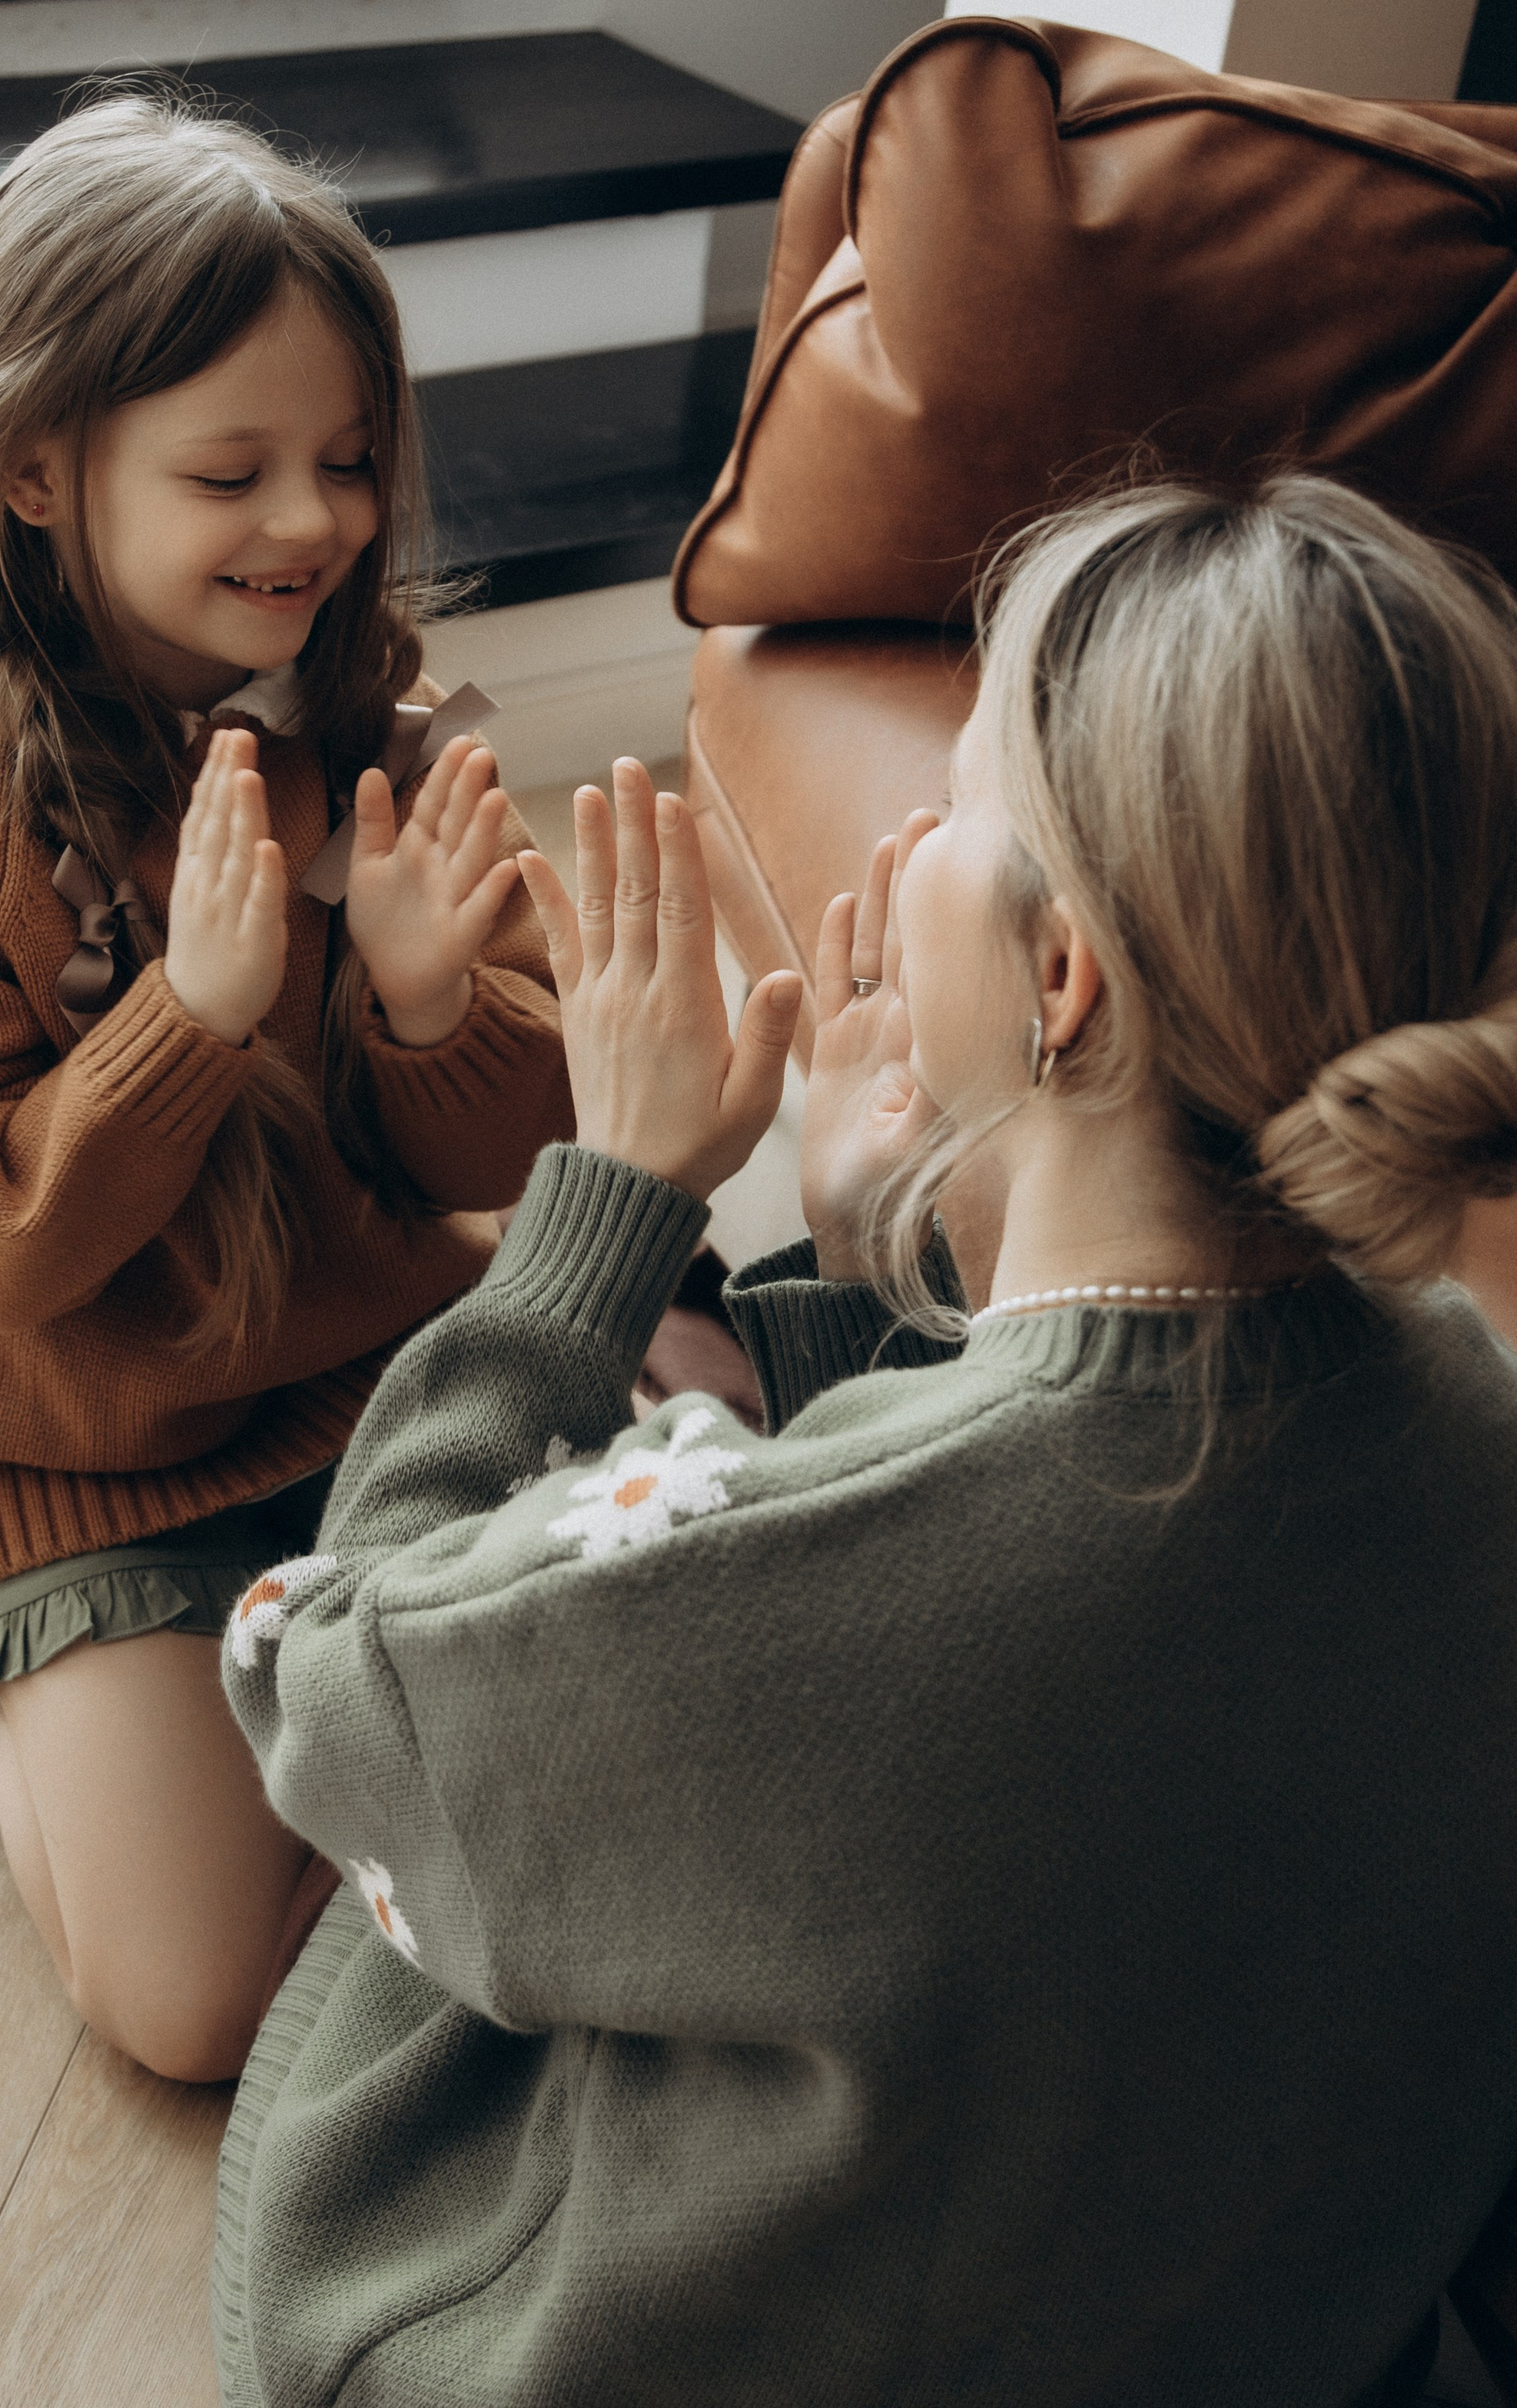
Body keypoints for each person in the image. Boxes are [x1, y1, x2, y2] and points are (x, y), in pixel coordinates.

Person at [213, 474, 1517, 2407]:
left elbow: (318, 1677)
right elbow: (963, 1595)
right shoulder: (1474, 1415)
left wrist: (602, 1207)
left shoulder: (758, 1575)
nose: (902, 831)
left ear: (1058, 981)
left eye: (963, 800)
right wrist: (854, 1274)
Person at [0, 94, 570, 2084]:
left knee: (705, 1411)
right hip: (90, 1450)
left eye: (346, 464)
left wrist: (418, 1002)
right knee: (195, 2004)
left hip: (369, 1374)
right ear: (38, 474)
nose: (309, 521)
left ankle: (380, 1699)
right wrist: (188, 1020)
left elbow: (517, 1154)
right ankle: (68, 1677)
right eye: (231, 472)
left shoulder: (364, 722)